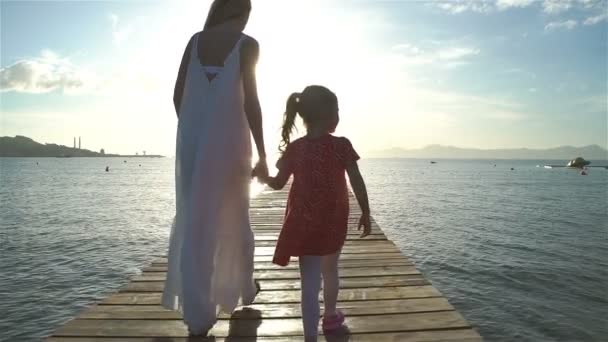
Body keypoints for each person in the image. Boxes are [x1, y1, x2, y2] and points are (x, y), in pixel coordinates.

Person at [161, 0, 268, 336]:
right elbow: (251, 100)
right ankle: (240, 291)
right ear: (244, 12)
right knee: (235, 216)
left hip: (194, 144)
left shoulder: (194, 41)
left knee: (196, 222)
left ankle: (198, 316)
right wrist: (264, 154)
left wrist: (196, 128)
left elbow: (178, 94)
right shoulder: (248, 44)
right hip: (232, 144)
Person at [254, 85, 371, 341]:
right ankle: (330, 317)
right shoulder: (342, 145)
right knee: (330, 270)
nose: (339, 116)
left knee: (309, 284)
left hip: (304, 223)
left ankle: (310, 338)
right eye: (337, 110)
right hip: (333, 221)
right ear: (328, 113)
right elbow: (356, 180)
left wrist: (262, 176)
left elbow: (278, 184)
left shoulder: (295, 148)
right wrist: (366, 211)